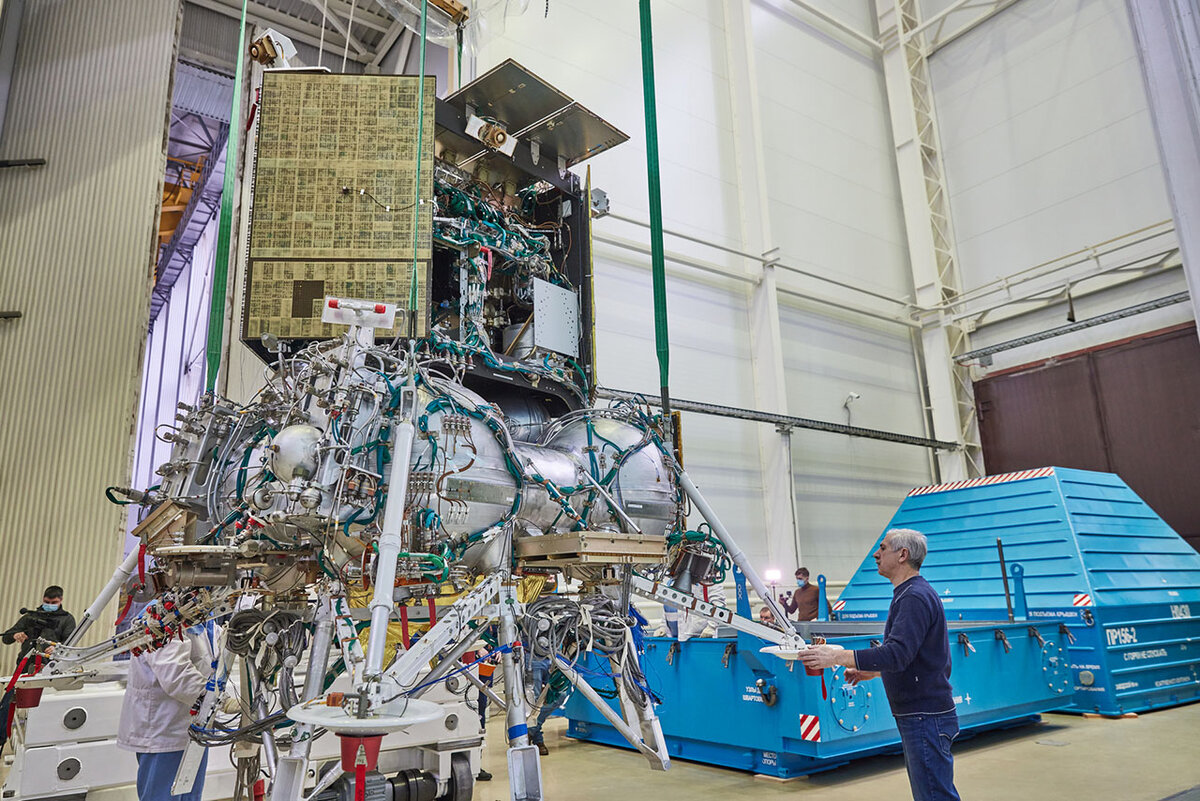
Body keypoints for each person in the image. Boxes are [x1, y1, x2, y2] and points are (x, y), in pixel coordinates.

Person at [799, 529, 959, 801]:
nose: (875, 553)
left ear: (902, 555)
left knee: (933, 795)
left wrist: (835, 656)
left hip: (924, 715)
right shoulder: (909, 593)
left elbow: (897, 653)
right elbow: (916, 656)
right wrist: (872, 671)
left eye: (882, 548)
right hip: (923, 714)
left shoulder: (913, 597)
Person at [116, 624, 214, 801]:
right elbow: (175, 673)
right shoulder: (157, 618)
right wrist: (215, 698)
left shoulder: (205, 619)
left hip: (195, 727)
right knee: (162, 797)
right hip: (163, 729)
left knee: (190, 796)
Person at [1, 585, 76, 668]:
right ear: (43, 599)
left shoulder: (67, 619)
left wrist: (57, 648)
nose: (50, 605)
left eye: (54, 602)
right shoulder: (30, 616)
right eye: (47, 602)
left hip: (50, 665)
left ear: (61, 600)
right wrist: (14, 635)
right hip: (25, 663)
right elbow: (5, 639)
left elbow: (70, 642)